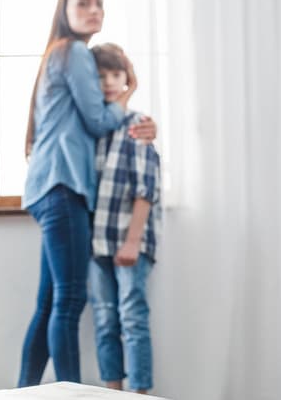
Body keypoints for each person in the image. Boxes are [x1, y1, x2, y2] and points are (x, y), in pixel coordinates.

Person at [20, 0, 155, 386]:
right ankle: (71, 394)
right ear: (65, 10)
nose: (94, 9)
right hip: (63, 186)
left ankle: (21, 391)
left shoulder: (56, 54)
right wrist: (128, 99)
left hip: (48, 186)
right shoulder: (74, 51)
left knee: (49, 303)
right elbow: (97, 120)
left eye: (99, 3)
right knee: (69, 300)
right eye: (84, 3)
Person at [87, 43, 161, 395]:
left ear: (126, 78)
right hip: (95, 240)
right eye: (100, 76)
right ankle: (111, 390)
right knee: (104, 319)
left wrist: (132, 240)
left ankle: (140, 392)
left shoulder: (137, 126)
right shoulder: (93, 130)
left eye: (115, 75)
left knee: (132, 316)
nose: (107, 82)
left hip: (130, 239)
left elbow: (145, 189)